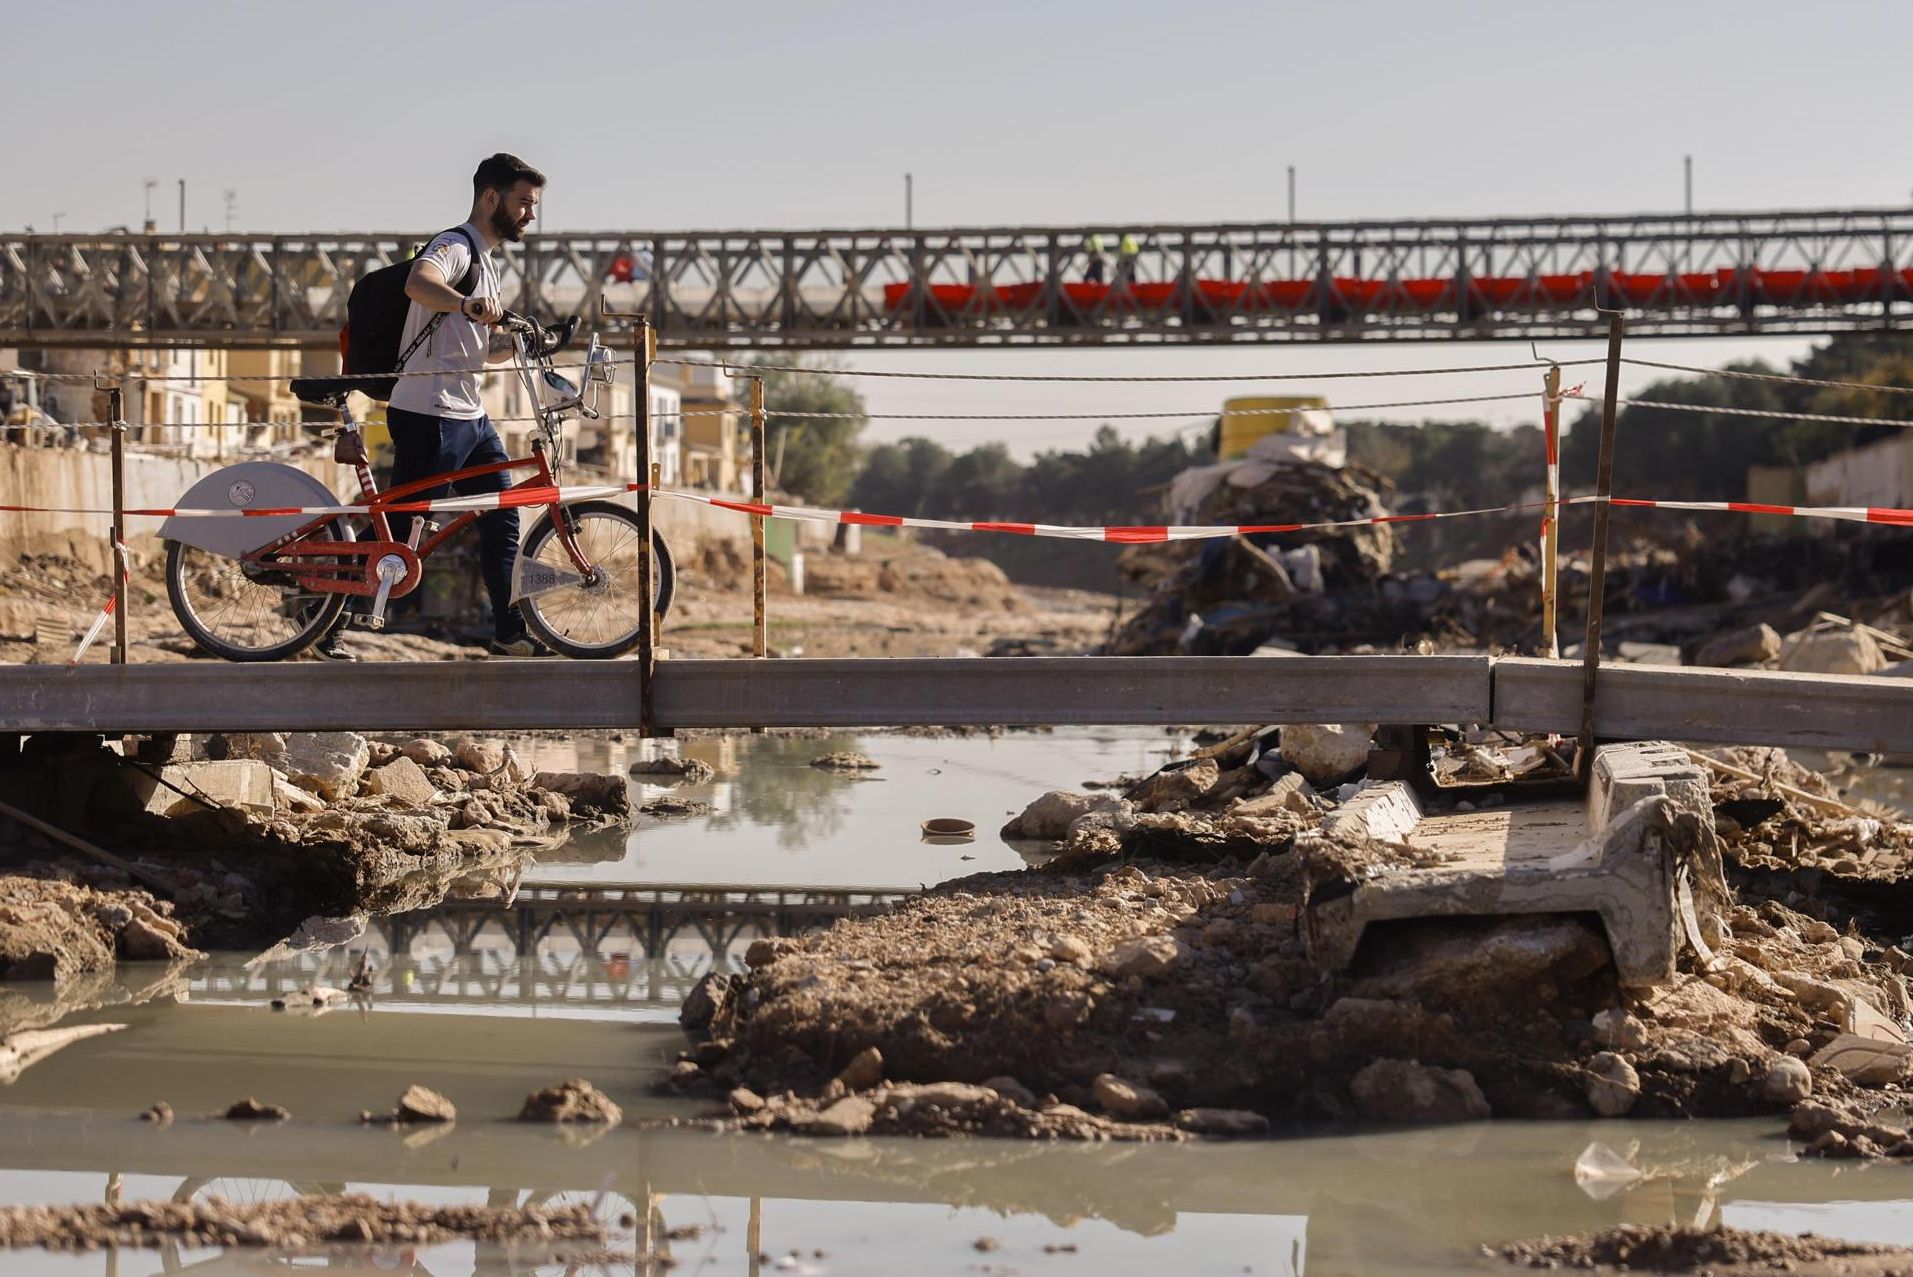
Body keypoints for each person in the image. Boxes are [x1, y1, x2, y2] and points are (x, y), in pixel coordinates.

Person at [318, 153, 546, 660]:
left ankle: (507, 632)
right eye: (524, 203)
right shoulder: (455, 245)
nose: (531, 214)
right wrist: (466, 304)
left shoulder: (487, 264)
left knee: (502, 516)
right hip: (430, 411)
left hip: (470, 414)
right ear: (491, 198)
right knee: (402, 527)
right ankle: (329, 626)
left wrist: (526, 343)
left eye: (534, 205)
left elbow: (472, 349)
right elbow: (418, 282)